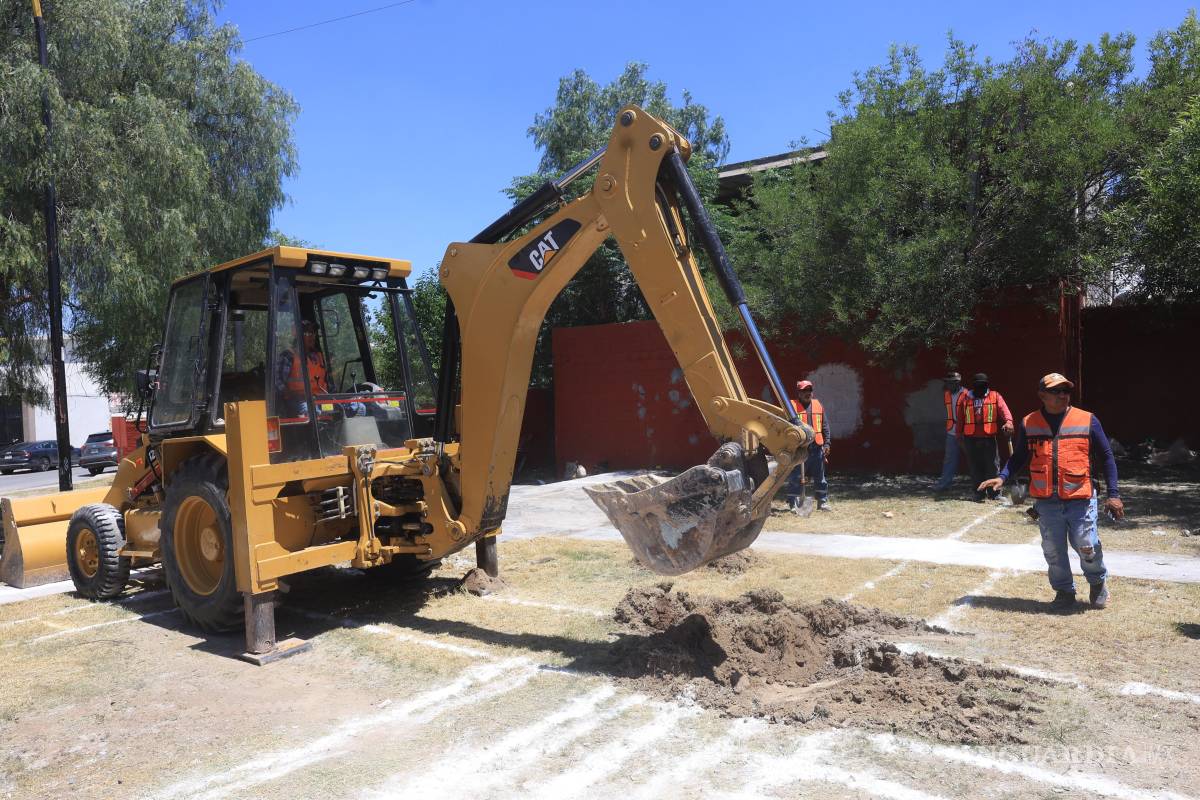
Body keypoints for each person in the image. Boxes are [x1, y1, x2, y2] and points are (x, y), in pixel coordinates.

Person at [979, 373, 1123, 611]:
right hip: (1046, 501)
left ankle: (1097, 582)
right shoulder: (1029, 422)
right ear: (1042, 395)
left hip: (1081, 497)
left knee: (1086, 545)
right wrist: (1002, 476)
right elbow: (1019, 457)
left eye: (1066, 391)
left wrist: (1114, 494)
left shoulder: (1087, 420)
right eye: (1056, 391)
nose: (1062, 395)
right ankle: (1064, 591)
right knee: (1054, 550)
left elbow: (1106, 457)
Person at [956, 373, 1013, 501]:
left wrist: (1008, 422)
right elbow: (960, 418)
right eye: (978, 386)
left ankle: (994, 493)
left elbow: (1004, 410)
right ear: (974, 386)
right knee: (975, 466)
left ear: (987, 385)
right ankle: (978, 493)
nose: (980, 388)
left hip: (988, 437)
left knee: (992, 466)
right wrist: (958, 434)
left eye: (983, 386)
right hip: (970, 437)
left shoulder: (995, 396)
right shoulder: (964, 398)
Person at [787, 380, 831, 511]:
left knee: (820, 476)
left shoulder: (818, 405)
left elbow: (825, 426)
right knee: (796, 476)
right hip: (800, 448)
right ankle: (792, 503)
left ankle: (822, 502)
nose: (807, 393)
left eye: (809, 390)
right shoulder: (791, 406)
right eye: (804, 391)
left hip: (817, 447)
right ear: (799, 393)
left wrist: (827, 442)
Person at [277, 318, 330, 417]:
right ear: (297, 335)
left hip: (320, 399)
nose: (312, 336)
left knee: (355, 408)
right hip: (298, 400)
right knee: (313, 414)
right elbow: (278, 381)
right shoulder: (288, 356)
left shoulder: (318, 356)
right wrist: (289, 394)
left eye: (313, 333)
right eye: (308, 333)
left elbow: (327, 381)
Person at [934, 371, 967, 493]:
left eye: (950, 382)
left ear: (957, 382)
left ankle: (980, 484)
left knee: (973, 459)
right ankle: (944, 485)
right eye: (947, 382)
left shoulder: (966, 394)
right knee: (949, 459)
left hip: (965, 433)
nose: (948, 385)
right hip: (951, 432)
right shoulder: (947, 394)